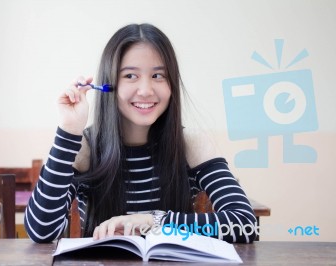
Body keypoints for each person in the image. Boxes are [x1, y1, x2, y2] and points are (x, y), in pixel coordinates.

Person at [24, 23, 257, 244]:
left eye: (158, 76)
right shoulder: (86, 147)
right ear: (108, 85)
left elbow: (246, 225)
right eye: (130, 76)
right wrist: (69, 131)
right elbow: (40, 231)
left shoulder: (191, 144)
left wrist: (155, 221)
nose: (145, 90)